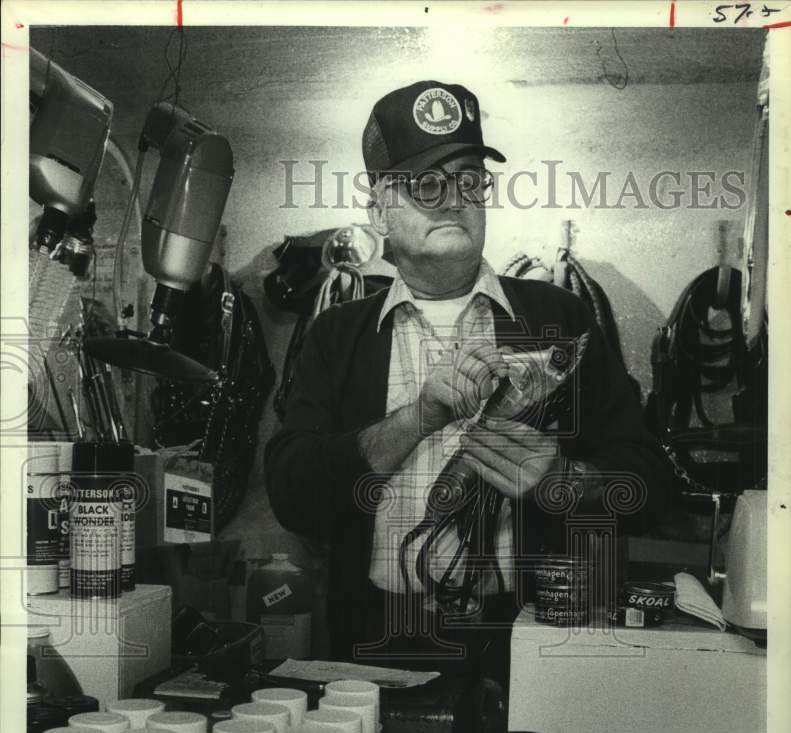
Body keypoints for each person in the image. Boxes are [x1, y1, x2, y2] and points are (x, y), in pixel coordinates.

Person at [265, 80, 671, 679]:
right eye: (426, 183)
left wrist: (563, 481)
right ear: (379, 209)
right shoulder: (337, 335)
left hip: (528, 646)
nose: (453, 199)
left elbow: (651, 487)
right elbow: (292, 495)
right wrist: (418, 418)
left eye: (469, 180)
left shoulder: (560, 319)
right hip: (378, 642)